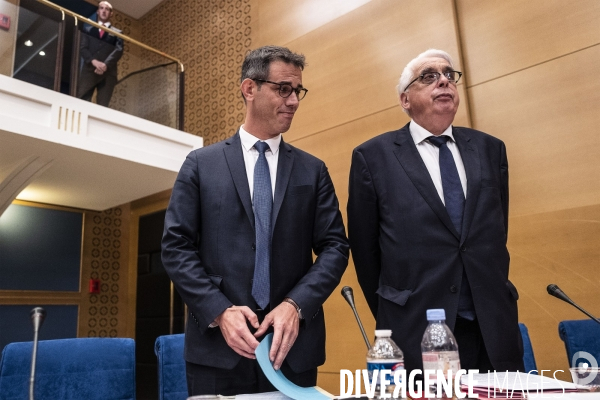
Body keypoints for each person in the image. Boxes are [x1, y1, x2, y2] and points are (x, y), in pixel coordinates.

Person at [161, 45, 349, 396]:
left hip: (292, 350)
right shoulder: (200, 164)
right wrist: (219, 311)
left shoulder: (313, 170)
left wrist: (297, 305)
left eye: (298, 91)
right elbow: (175, 247)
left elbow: (335, 247)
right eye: (283, 89)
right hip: (217, 349)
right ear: (250, 89)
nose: (293, 100)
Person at [347, 49, 524, 375]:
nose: (444, 80)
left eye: (448, 75)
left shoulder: (490, 149)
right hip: (415, 327)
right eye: (429, 76)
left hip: (491, 325)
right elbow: (365, 252)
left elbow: (496, 230)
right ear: (405, 99)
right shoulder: (373, 157)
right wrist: (394, 311)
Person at [77, 1, 123, 107]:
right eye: (101, 8)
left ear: (111, 13)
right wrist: (94, 62)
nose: (104, 10)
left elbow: (119, 50)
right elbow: (83, 48)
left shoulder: (118, 33)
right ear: (98, 11)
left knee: (103, 105)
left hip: (108, 73)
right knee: (82, 101)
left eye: (107, 9)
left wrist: (105, 65)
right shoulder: (88, 29)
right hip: (89, 70)